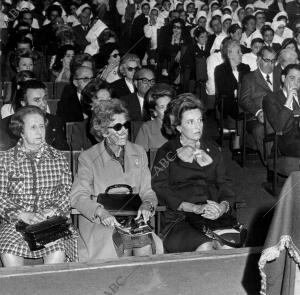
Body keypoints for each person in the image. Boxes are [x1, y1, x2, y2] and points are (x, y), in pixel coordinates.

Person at [71, 99, 161, 261]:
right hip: (101, 220)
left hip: (133, 217)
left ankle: (146, 285)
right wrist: (100, 212)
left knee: (146, 245)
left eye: (126, 125)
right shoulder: (88, 158)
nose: (124, 131)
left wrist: (147, 204)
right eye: (118, 127)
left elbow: (147, 191)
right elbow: (78, 197)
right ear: (104, 131)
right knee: (122, 244)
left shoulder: (138, 152)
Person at [152, 94, 237, 253]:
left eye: (200, 120)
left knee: (228, 245)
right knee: (205, 246)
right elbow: (160, 187)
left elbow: (225, 184)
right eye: (190, 122)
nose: (198, 126)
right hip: (180, 218)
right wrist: (194, 208)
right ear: (178, 127)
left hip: (214, 217)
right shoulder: (167, 152)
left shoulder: (213, 149)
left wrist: (222, 207)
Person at [0, 106, 78, 266]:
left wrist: (50, 212)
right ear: (20, 131)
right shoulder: (5, 160)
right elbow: (1, 197)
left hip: (51, 220)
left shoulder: (58, 158)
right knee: (8, 251)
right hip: (17, 222)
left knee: (57, 250)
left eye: (42, 126)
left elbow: (66, 193)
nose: (39, 131)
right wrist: (22, 215)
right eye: (33, 127)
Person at [0, 80, 68, 151]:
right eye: (37, 100)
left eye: (44, 98)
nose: (43, 104)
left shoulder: (55, 121)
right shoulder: (5, 125)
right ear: (23, 103)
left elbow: (64, 152)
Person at [240, 47, 281, 156]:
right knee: (259, 130)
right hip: (258, 117)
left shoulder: (280, 76)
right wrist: (258, 112)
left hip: (280, 114)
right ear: (258, 60)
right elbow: (244, 99)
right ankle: (271, 163)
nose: (270, 64)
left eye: (273, 61)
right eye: (267, 60)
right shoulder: (249, 78)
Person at [263, 64, 300, 158]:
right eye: (292, 78)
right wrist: (289, 99)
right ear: (283, 78)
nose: (296, 83)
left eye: (299, 80)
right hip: (286, 141)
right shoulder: (271, 98)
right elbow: (278, 127)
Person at [215, 40, 250, 124]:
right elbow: (224, 91)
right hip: (229, 103)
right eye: (238, 52)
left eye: (240, 51)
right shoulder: (220, 69)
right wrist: (239, 91)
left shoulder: (245, 68)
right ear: (229, 54)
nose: (241, 54)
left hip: (245, 101)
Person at [135, 83, 175, 152]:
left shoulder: (181, 125)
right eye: (162, 107)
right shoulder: (147, 128)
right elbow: (138, 156)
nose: (167, 110)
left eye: (169, 105)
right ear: (154, 112)